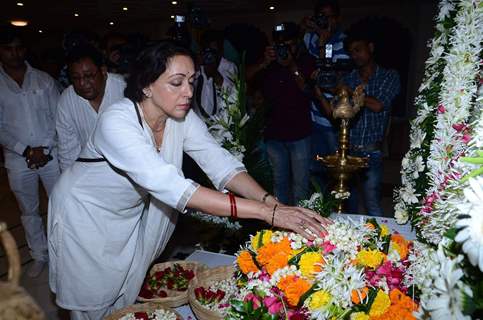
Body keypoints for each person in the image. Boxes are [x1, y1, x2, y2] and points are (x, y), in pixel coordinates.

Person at [47, 40, 329, 319]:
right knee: (93, 301)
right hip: (84, 213)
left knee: (125, 291)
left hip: (125, 213)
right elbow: (177, 188)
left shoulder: (179, 117)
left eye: (191, 81)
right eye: (177, 82)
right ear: (146, 85)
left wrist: (271, 202)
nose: (188, 92)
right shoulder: (117, 122)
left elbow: (220, 164)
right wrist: (267, 213)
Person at [0, 29, 60, 277]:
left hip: (50, 154)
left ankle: (61, 253)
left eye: (18, 48)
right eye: (7, 48)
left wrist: (43, 149)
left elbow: (59, 117)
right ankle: (39, 254)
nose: (13, 53)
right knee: (28, 210)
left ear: (24, 50)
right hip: (17, 159)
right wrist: (25, 150)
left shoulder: (44, 79)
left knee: (59, 205)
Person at [342, 30, 400, 216]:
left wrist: (349, 92)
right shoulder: (349, 77)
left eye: (358, 50)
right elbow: (337, 111)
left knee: (372, 203)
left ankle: (379, 243)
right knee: (347, 203)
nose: (355, 55)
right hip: (348, 150)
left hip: (371, 151)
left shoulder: (388, 76)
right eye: (351, 52)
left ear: (371, 48)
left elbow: (377, 105)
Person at [257, 22, 315, 205]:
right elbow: (245, 81)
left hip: (299, 135)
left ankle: (303, 230)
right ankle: (281, 229)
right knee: (279, 186)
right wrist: (264, 62)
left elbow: (308, 91)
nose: (283, 49)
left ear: (297, 43)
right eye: (280, 45)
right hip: (274, 135)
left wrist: (292, 65)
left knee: (300, 188)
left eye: (288, 44)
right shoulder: (269, 64)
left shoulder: (307, 62)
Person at [302, 0, 350, 191]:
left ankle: (345, 215)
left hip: (336, 119)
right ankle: (322, 212)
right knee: (316, 171)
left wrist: (323, 42)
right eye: (321, 16)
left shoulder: (344, 42)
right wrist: (303, 25)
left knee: (341, 173)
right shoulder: (310, 38)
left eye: (329, 16)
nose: (325, 20)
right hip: (314, 118)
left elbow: (330, 79)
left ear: (337, 19)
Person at [56, 45, 125, 171]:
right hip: (89, 171)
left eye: (88, 76)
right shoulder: (67, 100)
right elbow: (68, 151)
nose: (82, 83)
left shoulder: (125, 90)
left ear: (103, 71)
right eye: (76, 78)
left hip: (127, 169)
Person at [193, 29, 237, 118]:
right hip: (199, 119)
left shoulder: (229, 67)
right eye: (207, 51)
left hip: (221, 121)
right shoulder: (198, 65)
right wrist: (196, 65)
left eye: (213, 51)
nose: (210, 55)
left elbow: (232, 93)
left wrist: (214, 73)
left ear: (221, 50)